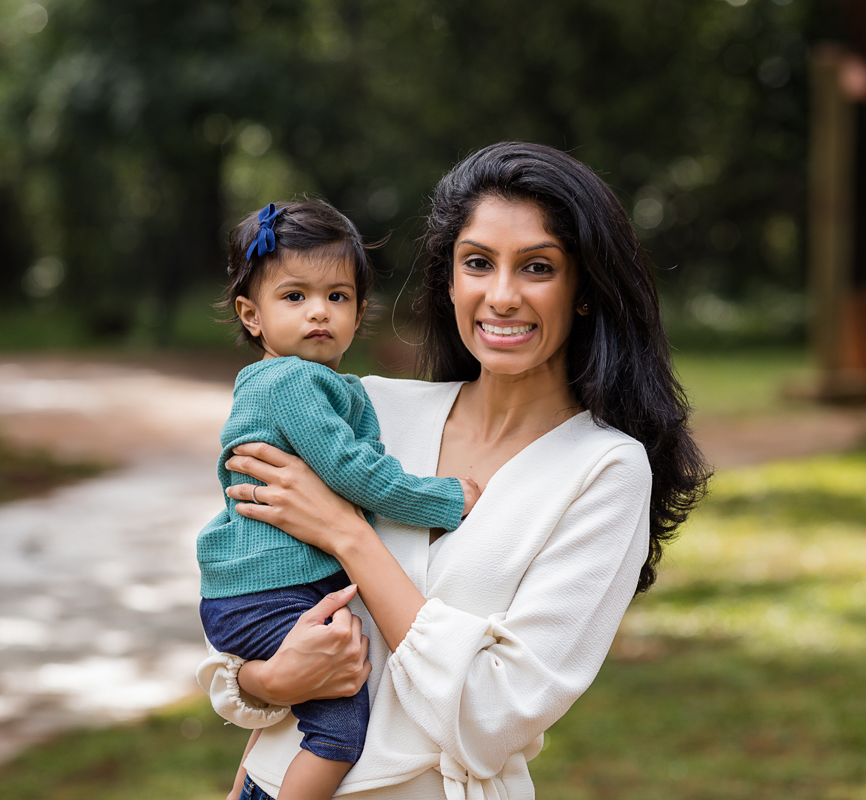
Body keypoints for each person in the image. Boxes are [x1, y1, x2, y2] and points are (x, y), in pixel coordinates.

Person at [197, 142, 710, 800]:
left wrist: (349, 535)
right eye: (478, 263)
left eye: (537, 267)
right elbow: (258, 612)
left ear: (584, 289)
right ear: (449, 281)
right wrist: (266, 683)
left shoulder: (604, 471)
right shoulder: (367, 411)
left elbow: (492, 714)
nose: (502, 295)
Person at [198, 199, 482, 800]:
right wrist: (445, 500)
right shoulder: (292, 381)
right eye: (294, 297)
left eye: (338, 296)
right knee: (338, 728)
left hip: (259, 591)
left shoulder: (314, 384)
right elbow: (354, 472)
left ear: (358, 311)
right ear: (252, 315)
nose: (319, 312)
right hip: (267, 593)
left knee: (323, 703)